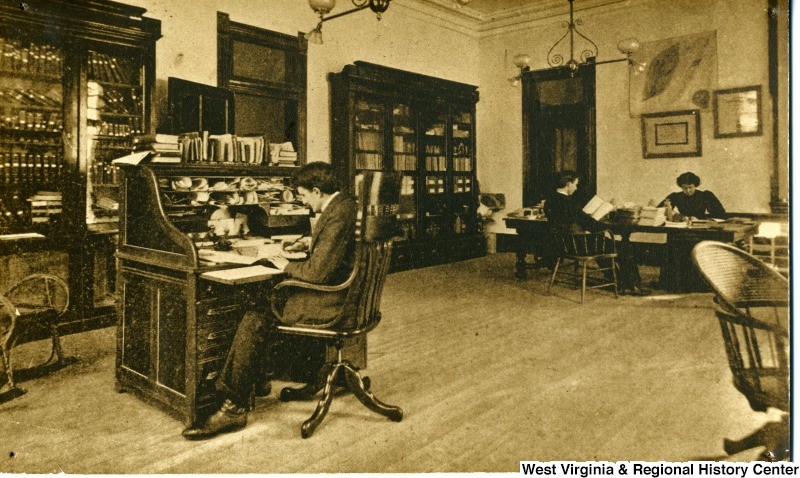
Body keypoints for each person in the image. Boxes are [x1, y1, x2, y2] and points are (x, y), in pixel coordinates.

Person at [182, 161, 358, 440]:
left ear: (316, 190)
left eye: (303, 195)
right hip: (349, 297)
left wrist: (285, 263)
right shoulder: (345, 205)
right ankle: (259, 379)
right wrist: (309, 244)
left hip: (332, 303)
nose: (302, 201)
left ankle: (233, 406)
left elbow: (317, 272)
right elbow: (333, 251)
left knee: (256, 316)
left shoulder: (336, 214)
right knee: (264, 298)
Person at [543, 170, 650, 296]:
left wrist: (587, 220)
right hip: (578, 246)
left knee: (602, 244)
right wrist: (605, 226)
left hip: (564, 244)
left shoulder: (549, 201)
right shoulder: (569, 202)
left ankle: (620, 282)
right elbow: (590, 225)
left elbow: (575, 220)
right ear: (568, 184)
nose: (576, 188)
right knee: (625, 246)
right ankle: (633, 285)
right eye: (575, 184)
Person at [659, 172, 725, 220]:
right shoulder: (675, 196)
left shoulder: (706, 195)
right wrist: (675, 215)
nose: (687, 190)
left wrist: (703, 219)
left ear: (695, 185)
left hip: (701, 226)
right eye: (684, 188)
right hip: (683, 226)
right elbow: (658, 211)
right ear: (681, 186)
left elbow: (720, 214)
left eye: (690, 187)